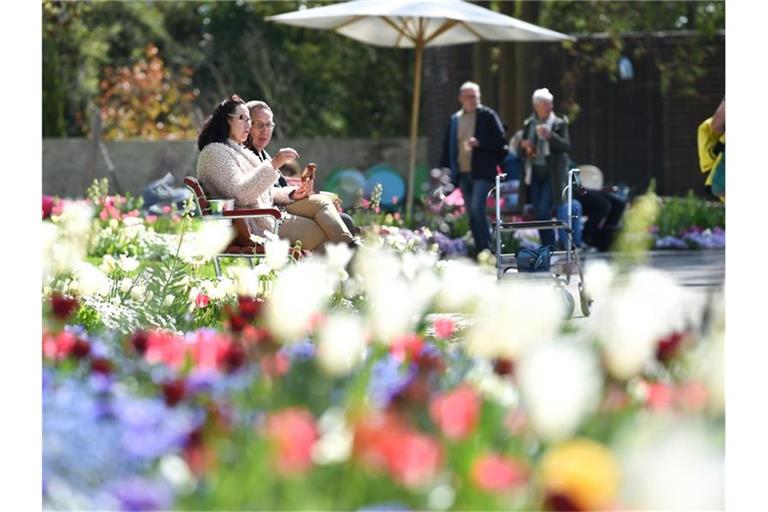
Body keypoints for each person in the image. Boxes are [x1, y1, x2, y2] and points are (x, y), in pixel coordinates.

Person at [196, 95, 331, 253]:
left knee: (327, 219)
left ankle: (346, 262)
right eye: (243, 118)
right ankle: (346, 267)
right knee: (325, 235)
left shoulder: (236, 151)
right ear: (227, 120)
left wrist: (292, 193)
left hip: (263, 218)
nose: (249, 124)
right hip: (254, 227)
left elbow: (260, 192)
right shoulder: (215, 152)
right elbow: (241, 194)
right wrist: (274, 164)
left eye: (249, 119)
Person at [244, 100, 358, 249]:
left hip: (285, 206)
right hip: (270, 215)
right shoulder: (245, 156)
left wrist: (299, 192)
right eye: (259, 124)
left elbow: (280, 188)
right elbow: (256, 193)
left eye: (269, 125)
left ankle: (351, 256)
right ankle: (353, 254)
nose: (265, 130)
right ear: (246, 126)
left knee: (344, 219)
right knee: (341, 222)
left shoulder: (263, 154)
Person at [439, 81, 506, 256]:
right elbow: (448, 146)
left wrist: (480, 143)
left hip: (482, 173)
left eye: (476, 96)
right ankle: (479, 249)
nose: (473, 99)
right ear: (461, 98)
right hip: (461, 173)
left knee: (477, 208)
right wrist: (445, 171)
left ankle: (487, 249)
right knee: (471, 214)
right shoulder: (455, 119)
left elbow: (501, 143)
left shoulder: (488, 115)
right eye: (469, 96)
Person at [516, 88, 572, 248]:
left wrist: (550, 136)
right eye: (545, 104)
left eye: (550, 103)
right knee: (538, 213)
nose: (550, 107)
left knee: (543, 211)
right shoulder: (529, 123)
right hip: (533, 174)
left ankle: (550, 247)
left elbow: (566, 146)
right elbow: (522, 152)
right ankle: (548, 247)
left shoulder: (559, 123)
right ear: (536, 106)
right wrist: (524, 146)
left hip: (551, 175)